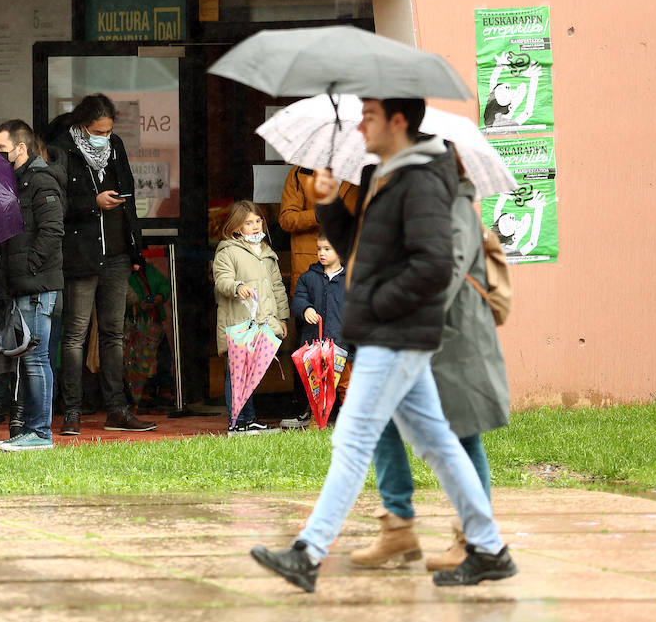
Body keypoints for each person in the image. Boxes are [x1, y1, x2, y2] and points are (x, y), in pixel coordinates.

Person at [250, 98, 517, 592]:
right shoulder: (387, 176)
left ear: (397, 121)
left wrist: (376, 302)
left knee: (352, 439)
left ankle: (308, 553)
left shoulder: (422, 180)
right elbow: (360, 250)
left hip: (395, 331)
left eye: (369, 115)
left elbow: (437, 266)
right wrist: (328, 204)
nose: (359, 125)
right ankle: (491, 546)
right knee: (436, 441)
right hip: (390, 331)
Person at [351, 170, 510, 572]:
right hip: (415, 336)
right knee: (383, 421)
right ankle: (398, 527)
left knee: (463, 434)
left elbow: (443, 276)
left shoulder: (456, 207)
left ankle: (474, 540)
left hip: (453, 343)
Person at [50, 94, 155, 435]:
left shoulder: (116, 146)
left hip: (117, 254)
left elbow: (131, 197)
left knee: (114, 334)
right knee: (75, 335)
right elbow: (58, 203)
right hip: (81, 254)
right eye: (98, 131)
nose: (104, 136)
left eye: (109, 130)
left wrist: (136, 252)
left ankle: (117, 409)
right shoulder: (62, 149)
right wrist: (92, 203)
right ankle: (72, 412)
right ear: (82, 126)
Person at [0, 119, 65, 451]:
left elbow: (52, 230)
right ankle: (34, 431)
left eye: (1, 149)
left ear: (21, 148)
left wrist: (29, 266)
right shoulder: (20, 181)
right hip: (27, 283)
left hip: (37, 286)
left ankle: (40, 433)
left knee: (36, 359)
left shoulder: (41, 181)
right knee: (32, 358)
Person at [212, 200, 289, 434]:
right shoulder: (228, 251)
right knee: (237, 373)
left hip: (263, 323)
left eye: (258, 221)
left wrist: (282, 318)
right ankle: (237, 421)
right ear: (236, 227)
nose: (255, 226)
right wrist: (237, 287)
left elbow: (278, 288)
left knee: (252, 373)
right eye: (249, 223)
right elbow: (222, 280)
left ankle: (249, 419)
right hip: (238, 324)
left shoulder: (268, 253)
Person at [285, 234, 346, 428]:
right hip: (316, 343)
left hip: (344, 343)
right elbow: (299, 299)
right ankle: (316, 421)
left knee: (346, 385)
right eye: (319, 249)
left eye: (327, 249)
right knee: (317, 385)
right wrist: (306, 309)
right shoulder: (308, 277)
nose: (321, 253)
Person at [279, 166, 357, 295]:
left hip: (348, 263)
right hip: (310, 263)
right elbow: (286, 219)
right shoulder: (301, 172)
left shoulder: (360, 173)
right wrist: (317, 215)